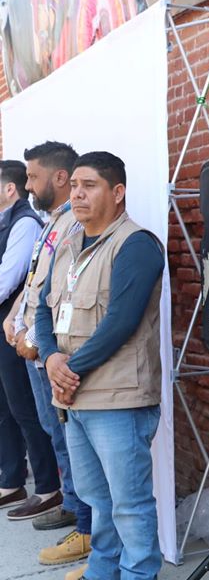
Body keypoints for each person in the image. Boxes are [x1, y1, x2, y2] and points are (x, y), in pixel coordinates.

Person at [34, 152, 165, 580]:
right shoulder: (69, 243)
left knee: (129, 502)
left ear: (118, 192)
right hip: (73, 397)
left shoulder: (136, 245)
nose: (77, 194)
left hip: (117, 398)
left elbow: (120, 323)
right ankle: (102, 570)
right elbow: (41, 308)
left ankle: (139, 573)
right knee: (97, 498)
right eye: (73, 185)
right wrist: (52, 357)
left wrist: (67, 371)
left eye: (89, 185)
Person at [3, 142, 93, 565]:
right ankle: (73, 507)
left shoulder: (74, 224)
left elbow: (64, 291)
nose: (27, 184)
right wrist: (16, 316)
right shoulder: (51, 221)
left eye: (33, 176)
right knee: (52, 431)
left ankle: (84, 523)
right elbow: (36, 281)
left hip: (51, 350)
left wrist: (37, 340)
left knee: (67, 439)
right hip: (36, 348)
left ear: (58, 177)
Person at [0, 160, 62, 522]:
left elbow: (8, 280)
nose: (29, 184)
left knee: (25, 409)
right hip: (12, 325)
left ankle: (47, 488)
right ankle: (11, 480)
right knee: (6, 408)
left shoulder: (24, 222)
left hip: (20, 329)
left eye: (32, 178)